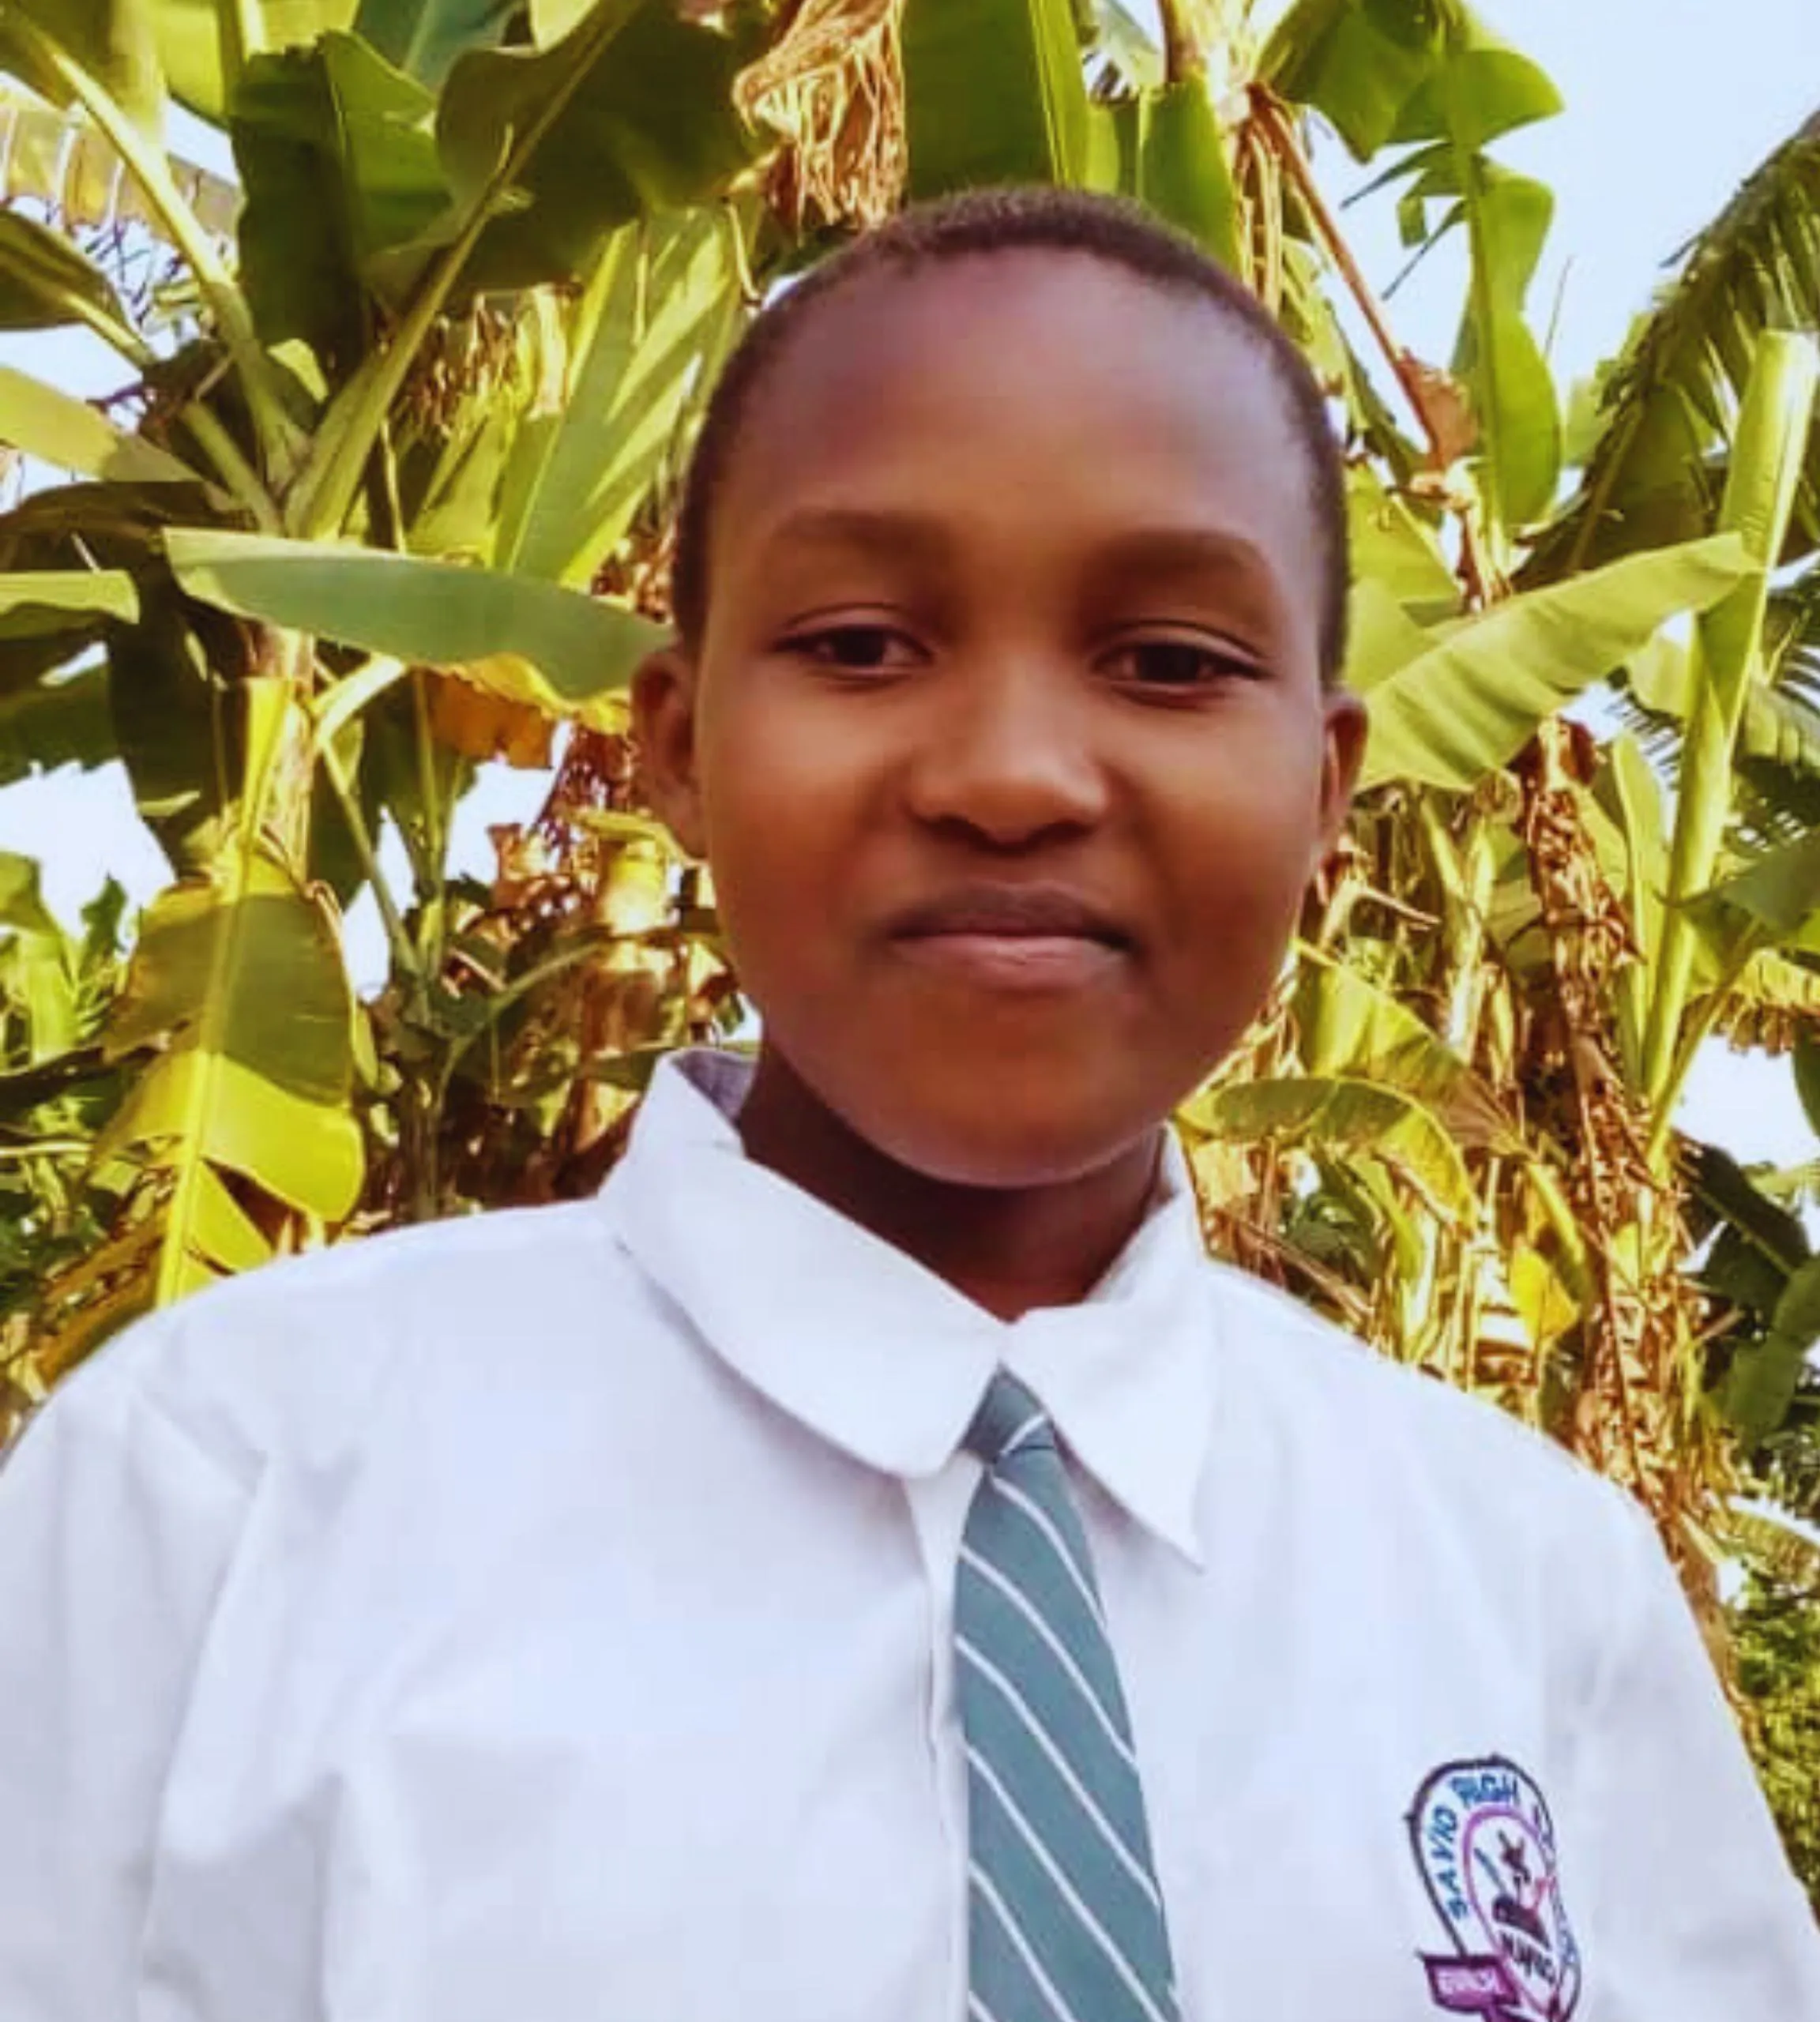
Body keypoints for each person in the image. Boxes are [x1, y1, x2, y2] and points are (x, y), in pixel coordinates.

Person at [0, 187, 1814, 2022]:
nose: (1012, 776)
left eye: (1171, 661)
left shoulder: (1535, 1595)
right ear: (679, 745)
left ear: (1327, 785)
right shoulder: (223, 1491)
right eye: (863, 643)